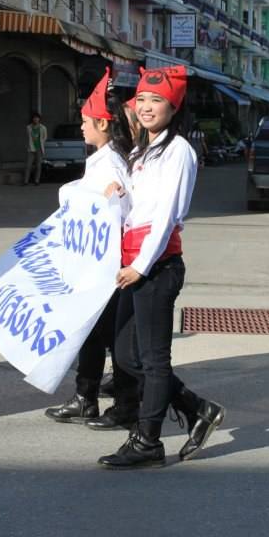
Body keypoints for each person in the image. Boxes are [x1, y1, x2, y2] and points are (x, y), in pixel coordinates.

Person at [98, 65, 225, 469]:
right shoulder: (142, 150)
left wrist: (140, 264)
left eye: (158, 100)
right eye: (143, 100)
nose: (148, 107)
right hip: (134, 263)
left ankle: (147, 441)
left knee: (153, 360)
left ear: (174, 106)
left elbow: (167, 215)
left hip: (156, 264)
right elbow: (135, 213)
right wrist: (116, 194)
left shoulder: (178, 151)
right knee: (125, 354)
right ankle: (196, 407)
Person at [44, 69, 140, 428]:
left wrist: (106, 200)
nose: (81, 127)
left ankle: (103, 398)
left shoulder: (113, 160)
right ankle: (88, 396)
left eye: (85, 121)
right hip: (94, 264)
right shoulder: (101, 156)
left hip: (108, 266)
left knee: (106, 335)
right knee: (93, 333)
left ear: (102, 123)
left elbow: (125, 207)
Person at [23, 112, 47, 186]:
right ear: (32, 119)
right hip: (31, 148)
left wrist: (41, 142)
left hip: (39, 148)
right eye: (34, 118)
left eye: (37, 118)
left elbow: (45, 137)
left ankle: (37, 181)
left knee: (38, 166)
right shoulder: (28, 127)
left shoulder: (43, 128)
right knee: (28, 165)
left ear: (39, 119)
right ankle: (26, 181)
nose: (35, 119)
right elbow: (27, 137)